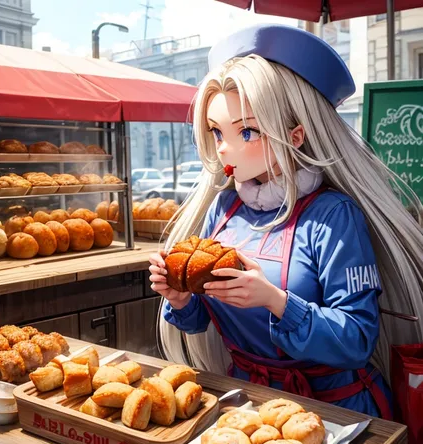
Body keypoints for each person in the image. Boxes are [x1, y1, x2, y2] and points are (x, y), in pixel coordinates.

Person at [148, 25, 423, 418]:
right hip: (247, 403)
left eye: (246, 131)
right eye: (215, 132)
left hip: (334, 410)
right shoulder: (223, 210)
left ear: (295, 136)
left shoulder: (332, 216)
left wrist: (275, 301)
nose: (225, 147)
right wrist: (182, 298)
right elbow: (203, 319)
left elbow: (358, 340)